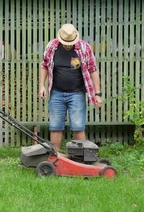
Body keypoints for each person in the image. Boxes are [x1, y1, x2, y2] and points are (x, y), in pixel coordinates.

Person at [38, 23, 103, 152]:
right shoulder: (52, 46)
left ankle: (79, 157)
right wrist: (41, 86)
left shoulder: (84, 48)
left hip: (77, 93)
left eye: (70, 42)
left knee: (78, 126)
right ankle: (55, 156)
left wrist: (98, 94)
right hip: (56, 92)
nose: (68, 44)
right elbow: (44, 65)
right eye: (65, 42)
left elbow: (93, 69)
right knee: (55, 126)